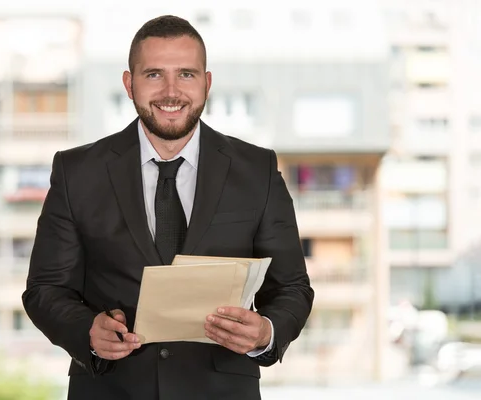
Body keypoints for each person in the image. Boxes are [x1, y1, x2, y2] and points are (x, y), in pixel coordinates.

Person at [22, 15, 314, 400]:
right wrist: (87, 332)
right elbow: (45, 289)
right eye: (154, 74)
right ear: (129, 84)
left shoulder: (257, 170)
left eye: (187, 75)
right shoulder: (77, 171)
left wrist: (266, 332)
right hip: (110, 389)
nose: (172, 91)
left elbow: (292, 288)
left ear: (207, 83)